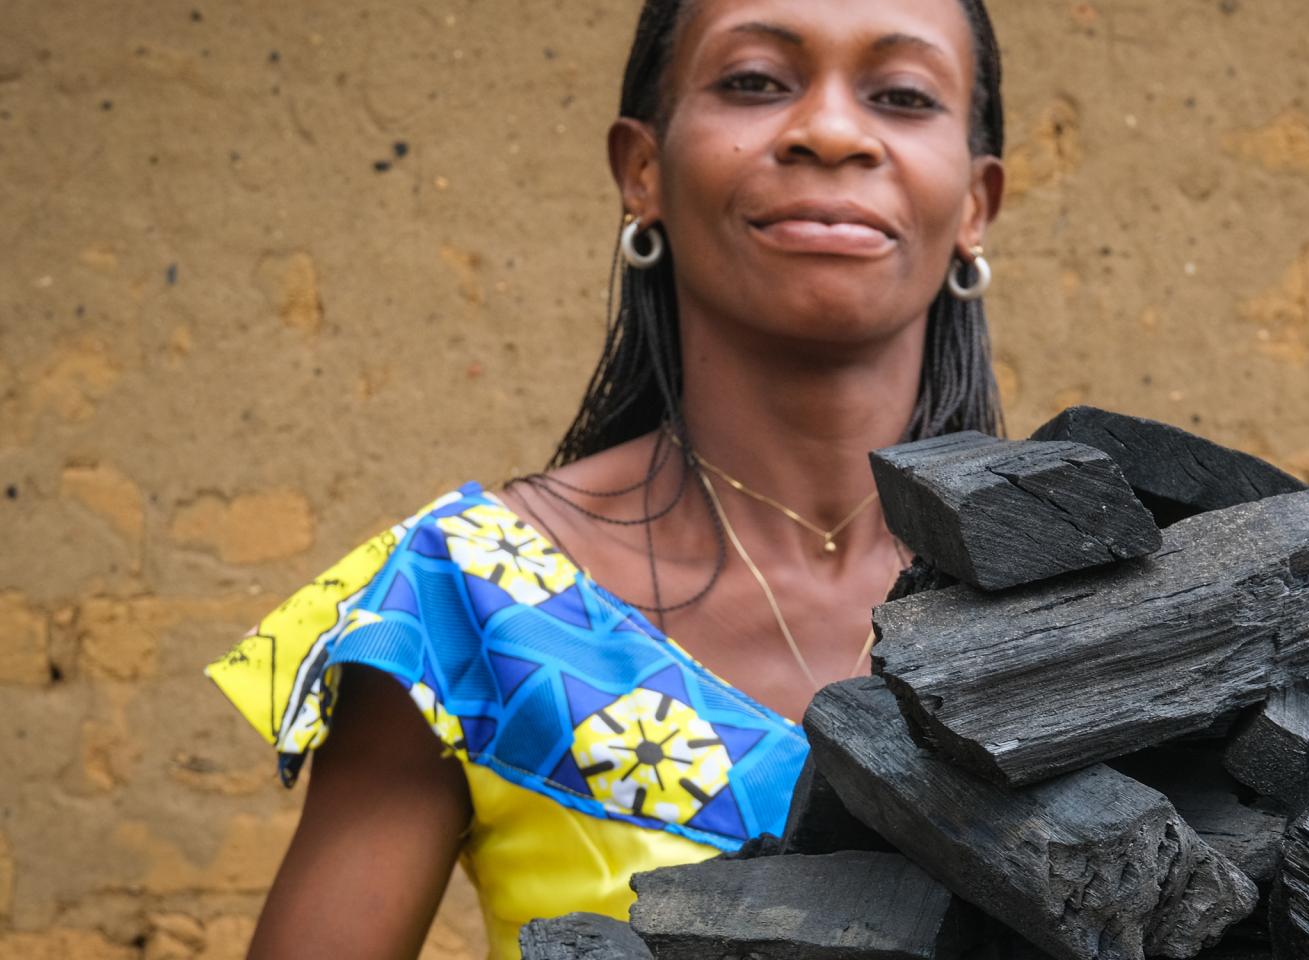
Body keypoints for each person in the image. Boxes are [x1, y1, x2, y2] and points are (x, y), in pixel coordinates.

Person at [205, 0, 1007, 956]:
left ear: (975, 202)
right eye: (754, 82)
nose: (831, 131)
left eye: (903, 95)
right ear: (642, 170)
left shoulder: (1119, 602)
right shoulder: (461, 604)